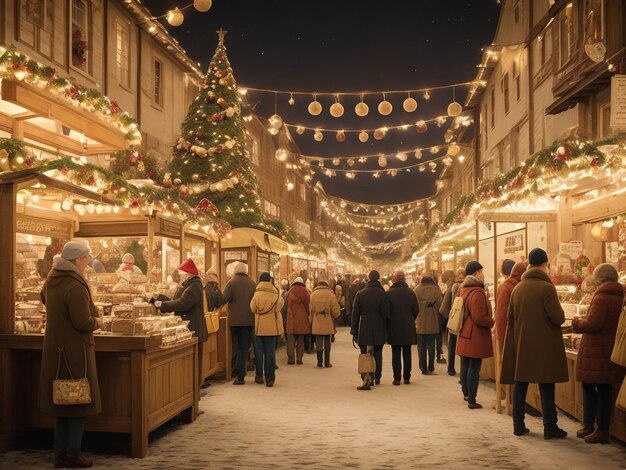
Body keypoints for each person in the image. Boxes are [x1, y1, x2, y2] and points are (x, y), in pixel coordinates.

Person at [39, 241, 103, 468]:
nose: (88, 262)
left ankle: (59, 454)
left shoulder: (52, 280)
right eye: (87, 258)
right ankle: (73, 453)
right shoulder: (75, 285)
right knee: (77, 402)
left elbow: (43, 299)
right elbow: (82, 321)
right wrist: (99, 321)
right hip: (74, 352)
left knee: (61, 403)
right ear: (78, 260)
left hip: (56, 350)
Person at [501, 248, 569, 439]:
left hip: (522, 343)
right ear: (544, 265)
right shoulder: (547, 288)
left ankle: (518, 425)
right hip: (545, 345)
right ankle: (550, 427)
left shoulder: (517, 288)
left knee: (520, 383)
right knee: (546, 385)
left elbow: (510, 319)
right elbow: (558, 317)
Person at [572, 263, 625, 444]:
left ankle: (598, 429)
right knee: (603, 389)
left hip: (596, 350)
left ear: (600, 279)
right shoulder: (620, 296)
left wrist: (577, 322)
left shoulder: (602, 298)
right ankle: (596, 427)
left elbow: (593, 324)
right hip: (609, 350)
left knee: (593, 388)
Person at [153, 259, 208, 387]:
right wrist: (159, 298)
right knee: (190, 363)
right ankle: (190, 388)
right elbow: (176, 300)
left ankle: (194, 389)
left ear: (188, 274)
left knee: (193, 362)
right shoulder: (188, 284)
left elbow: (183, 303)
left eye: (182, 274)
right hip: (188, 327)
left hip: (192, 328)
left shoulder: (194, 286)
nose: (180, 276)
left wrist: (162, 305)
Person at [456, 261, 495, 409]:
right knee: (474, 367)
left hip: (465, 331)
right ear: (476, 273)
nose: (483, 275)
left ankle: (466, 393)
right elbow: (479, 317)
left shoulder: (464, 289)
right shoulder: (477, 292)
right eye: (482, 272)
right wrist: (491, 321)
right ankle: (472, 398)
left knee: (466, 364)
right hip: (474, 334)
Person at [351, 270, 390, 389]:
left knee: (364, 353)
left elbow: (355, 314)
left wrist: (354, 330)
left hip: (364, 326)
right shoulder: (383, 294)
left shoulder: (360, 293)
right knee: (378, 352)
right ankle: (377, 376)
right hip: (379, 326)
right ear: (378, 279)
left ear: (368, 278)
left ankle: (366, 376)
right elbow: (386, 313)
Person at [223, 261, 257, 385]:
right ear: (246, 271)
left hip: (235, 321)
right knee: (244, 347)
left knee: (236, 348)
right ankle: (242, 374)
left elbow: (224, 298)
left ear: (235, 271)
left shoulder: (231, 283)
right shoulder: (253, 283)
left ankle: (238, 375)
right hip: (249, 321)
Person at [249, 272, 284, 387]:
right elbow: (280, 305)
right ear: (270, 280)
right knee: (270, 352)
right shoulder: (276, 293)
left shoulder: (257, 293)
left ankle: (259, 376)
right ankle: (270, 378)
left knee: (259, 352)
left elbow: (252, 308)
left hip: (259, 327)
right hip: (272, 327)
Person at [387, 270, 419, 385]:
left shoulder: (389, 293)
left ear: (395, 279)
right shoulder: (411, 292)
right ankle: (407, 377)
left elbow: (387, 311)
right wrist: (410, 319)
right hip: (407, 326)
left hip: (394, 326)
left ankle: (396, 378)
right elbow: (416, 310)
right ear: (404, 279)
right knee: (407, 352)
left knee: (395, 352)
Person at [309, 277, 341, 368]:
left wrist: (311, 319)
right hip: (327, 320)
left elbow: (310, 309)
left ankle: (319, 362)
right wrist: (336, 315)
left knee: (318, 341)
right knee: (327, 341)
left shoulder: (313, 294)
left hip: (317, 320)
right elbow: (336, 310)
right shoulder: (331, 294)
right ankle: (327, 362)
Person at [495, 260, 526, 353]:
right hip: (509, 338)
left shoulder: (519, 286)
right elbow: (502, 317)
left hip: (517, 336)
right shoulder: (506, 288)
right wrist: (504, 341)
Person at [414, 275, 442, 375]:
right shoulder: (436, 289)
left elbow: (415, 305)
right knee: (431, 344)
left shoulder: (416, 289)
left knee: (421, 345)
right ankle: (431, 366)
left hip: (420, 320)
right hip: (433, 319)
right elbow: (440, 304)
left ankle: (423, 368)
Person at [440, 267, 465, 375]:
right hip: (458, 318)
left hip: (453, 319)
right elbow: (449, 306)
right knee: (457, 345)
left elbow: (444, 307)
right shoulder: (455, 287)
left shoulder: (452, 287)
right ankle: (454, 368)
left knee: (452, 345)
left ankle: (451, 368)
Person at [286, 277, 311, 365]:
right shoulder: (305, 291)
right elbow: (308, 305)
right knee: (300, 339)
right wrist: (308, 315)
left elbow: (285, 305)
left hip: (291, 317)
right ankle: (299, 359)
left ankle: (291, 359)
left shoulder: (290, 291)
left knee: (290, 339)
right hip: (301, 317)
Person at [437, 270, 455, 364]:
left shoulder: (450, 288)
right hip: (453, 317)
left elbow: (443, 309)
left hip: (450, 319)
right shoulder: (451, 286)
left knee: (451, 344)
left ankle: (450, 367)